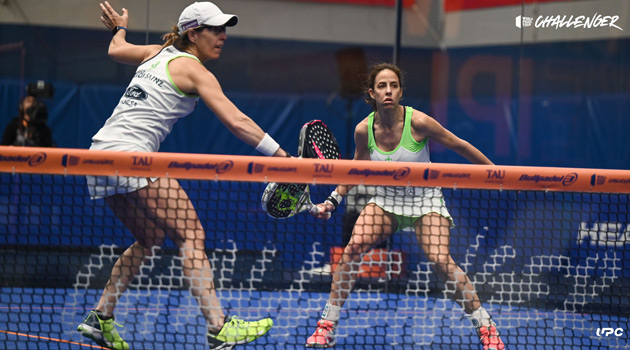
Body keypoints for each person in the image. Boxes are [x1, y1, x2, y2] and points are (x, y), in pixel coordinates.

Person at [77, 2, 289, 349]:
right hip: (132, 156)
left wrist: (119, 29)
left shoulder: (155, 52)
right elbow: (236, 121)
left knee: (150, 238)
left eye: (224, 30)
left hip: (98, 154)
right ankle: (219, 327)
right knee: (192, 234)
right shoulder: (194, 70)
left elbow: (116, 50)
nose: (223, 36)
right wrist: (283, 158)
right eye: (215, 30)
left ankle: (100, 316)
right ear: (193, 33)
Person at [306, 63, 505, 350]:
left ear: (400, 91)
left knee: (441, 261)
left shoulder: (419, 122)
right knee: (353, 247)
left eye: (394, 85)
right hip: (386, 201)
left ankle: (487, 328)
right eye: (382, 86)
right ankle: (327, 325)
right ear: (372, 92)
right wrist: (332, 200)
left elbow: (459, 144)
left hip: (425, 202)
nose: (388, 91)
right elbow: (354, 168)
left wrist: (495, 173)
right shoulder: (364, 130)